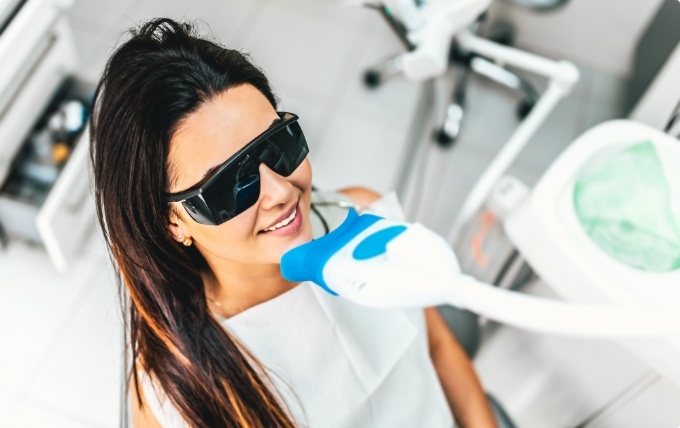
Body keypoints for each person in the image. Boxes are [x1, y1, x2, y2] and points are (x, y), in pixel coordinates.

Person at [89, 18, 496, 427]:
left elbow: (439, 349)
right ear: (171, 222)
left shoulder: (363, 215)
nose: (281, 191)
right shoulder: (175, 396)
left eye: (277, 144)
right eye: (230, 184)